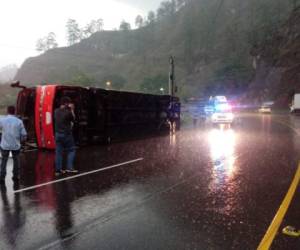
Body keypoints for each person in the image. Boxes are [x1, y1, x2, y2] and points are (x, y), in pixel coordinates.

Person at [0, 106, 27, 184]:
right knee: (16, 161)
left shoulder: (2, 120)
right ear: (14, 112)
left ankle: (2, 177)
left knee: (4, 161)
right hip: (16, 145)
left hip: (5, 145)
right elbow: (24, 134)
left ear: (7, 111)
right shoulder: (19, 121)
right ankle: (16, 176)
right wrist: (22, 142)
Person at [54, 97, 78, 175]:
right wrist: (72, 109)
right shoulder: (68, 112)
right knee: (71, 150)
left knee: (59, 152)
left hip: (57, 134)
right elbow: (74, 119)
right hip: (66, 134)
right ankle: (69, 168)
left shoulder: (56, 111)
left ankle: (58, 170)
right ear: (66, 103)